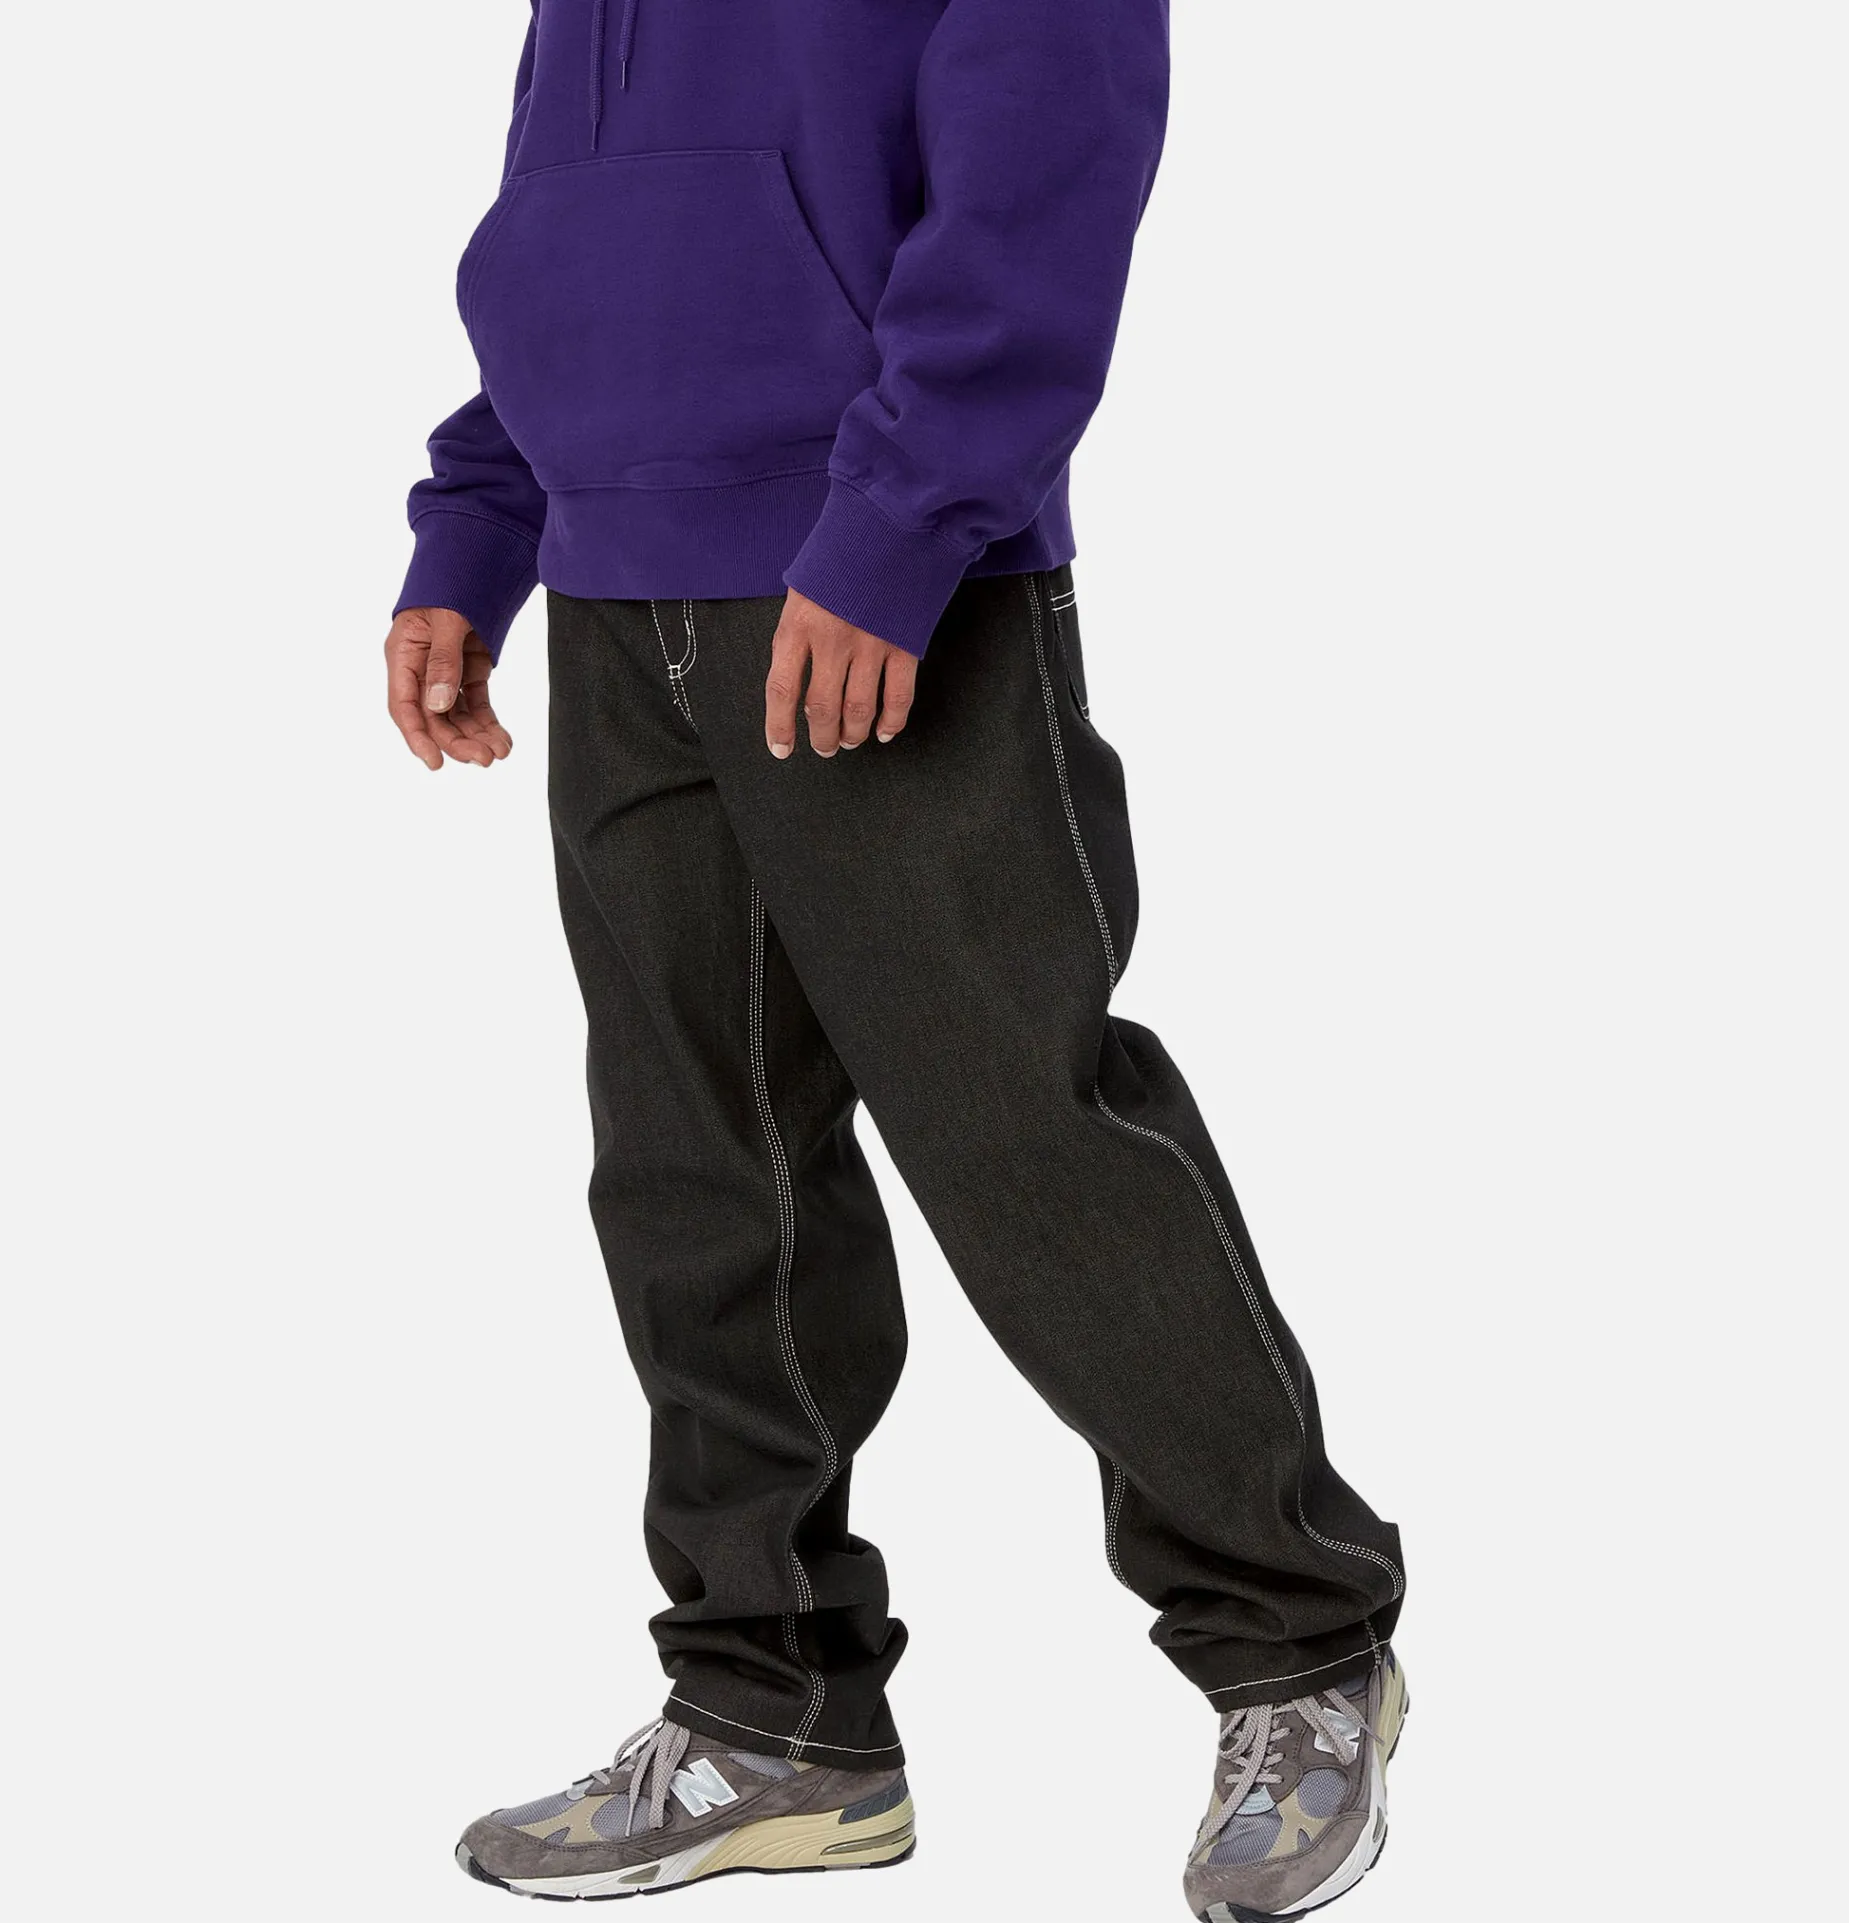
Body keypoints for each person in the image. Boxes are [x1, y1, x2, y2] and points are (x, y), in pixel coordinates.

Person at [382, 3, 1407, 1916]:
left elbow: (1047, 168)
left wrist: (901, 520)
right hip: (617, 592)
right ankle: (775, 1713)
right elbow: (569, 237)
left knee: (1028, 1138)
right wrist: (480, 527)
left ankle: (1300, 1648)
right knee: (696, 1171)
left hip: (880, 583)